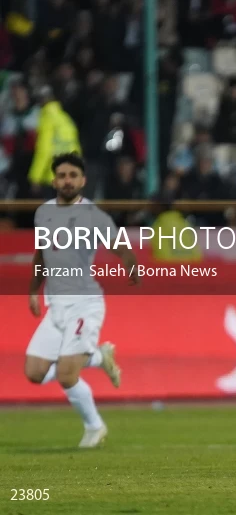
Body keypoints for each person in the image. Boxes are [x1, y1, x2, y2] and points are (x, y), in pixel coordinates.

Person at [25, 152, 140, 447]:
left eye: (72, 176)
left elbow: (118, 245)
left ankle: (94, 426)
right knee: (34, 372)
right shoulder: (43, 213)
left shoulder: (93, 215)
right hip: (56, 307)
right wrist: (33, 290)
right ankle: (99, 357)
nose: (67, 181)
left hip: (84, 304)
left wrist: (130, 263)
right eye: (62, 176)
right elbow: (41, 255)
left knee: (66, 374)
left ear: (83, 180)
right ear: (54, 181)